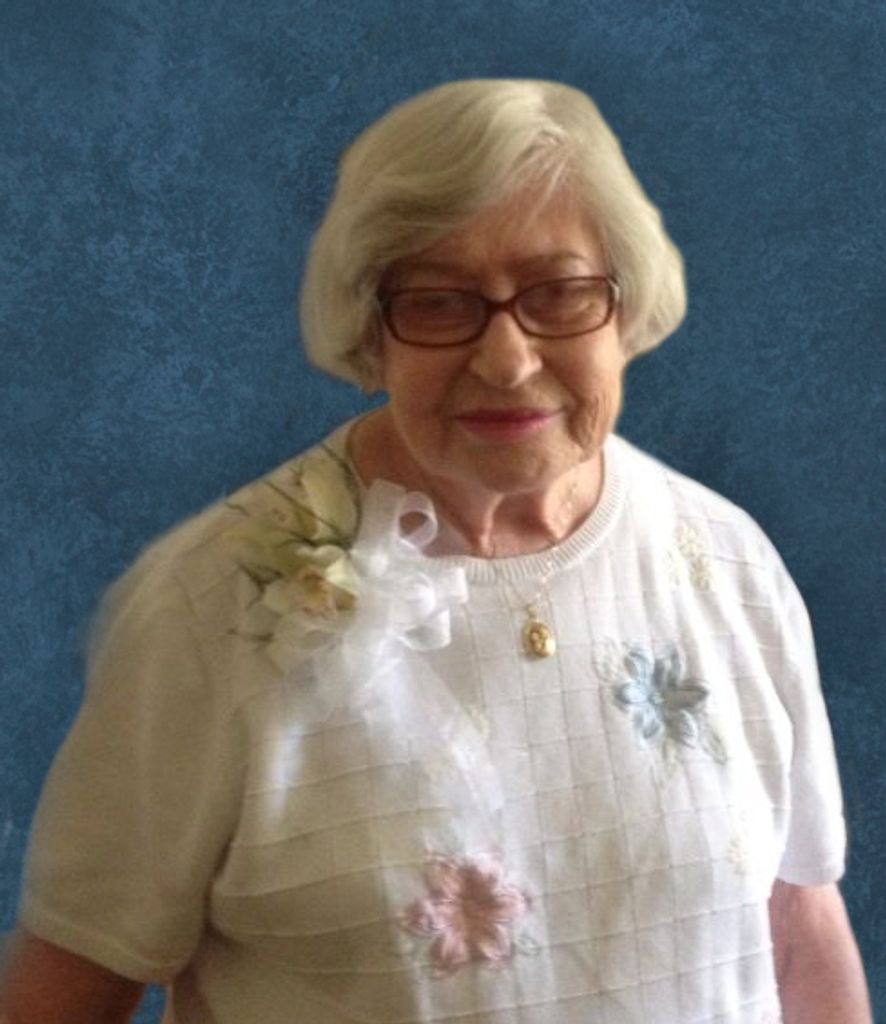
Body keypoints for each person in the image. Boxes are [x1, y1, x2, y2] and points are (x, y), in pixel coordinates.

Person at [0, 79, 871, 1024]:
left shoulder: (728, 564)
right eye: (438, 303)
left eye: (560, 294)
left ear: (626, 309)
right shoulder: (208, 607)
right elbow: (64, 994)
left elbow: (798, 935)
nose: (506, 360)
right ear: (371, 331)